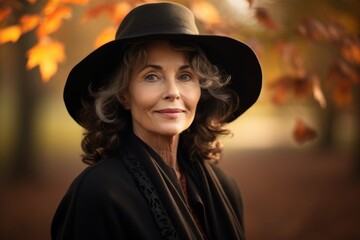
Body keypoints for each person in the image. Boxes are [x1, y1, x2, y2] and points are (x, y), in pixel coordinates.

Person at [51, 2, 262, 240]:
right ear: (124, 95)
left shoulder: (226, 188)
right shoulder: (98, 194)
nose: (173, 92)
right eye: (151, 76)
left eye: (185, 76)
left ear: (201, 90)